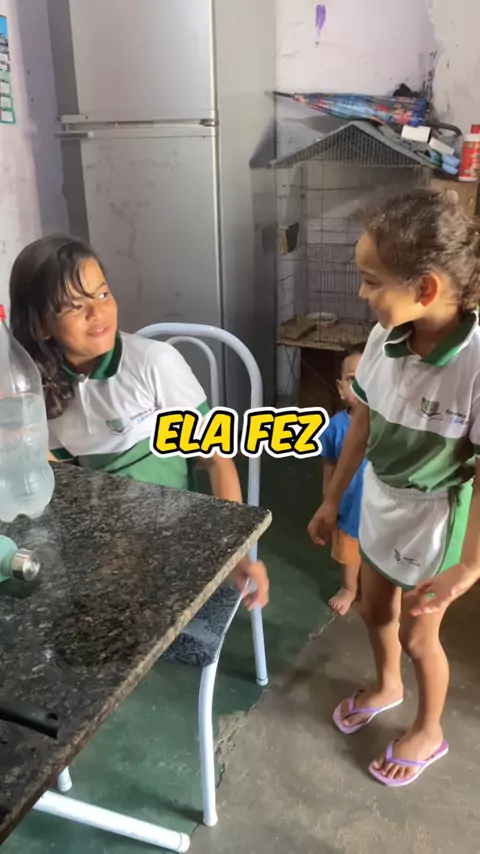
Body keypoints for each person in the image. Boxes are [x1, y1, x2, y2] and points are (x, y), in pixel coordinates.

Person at [308, 188, 480, 787]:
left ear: (425, 288)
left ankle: (429, 730)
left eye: (371, 281)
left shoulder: (475, 364)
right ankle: (386, 686)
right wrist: (333, 499)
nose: (362, 294)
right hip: (380, 498)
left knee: (417, 635)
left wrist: (468, 566)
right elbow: (362, 421)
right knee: (374, 607)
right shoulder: (386, 339)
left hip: (435, 519)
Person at [9, 234, 269, 610]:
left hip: (173, 532)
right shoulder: (37, 386)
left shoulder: (154, 364)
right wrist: (24, 440)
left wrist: (237, 551)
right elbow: (63, 479)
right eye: (74, 306)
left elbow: (216, 459)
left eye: (102, 294)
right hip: (101, 542)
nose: (97, 313)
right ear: (42, 326)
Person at [320, 346, 366, 615]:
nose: (361, 387)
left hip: (382, 512)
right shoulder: (335, 427)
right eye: (352, 379)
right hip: (348, 508)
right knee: (349, 554)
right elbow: (329, 464)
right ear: (340, 388)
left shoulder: (389, 426)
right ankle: (349, 589)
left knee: (381, 558)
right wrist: (329, 500)